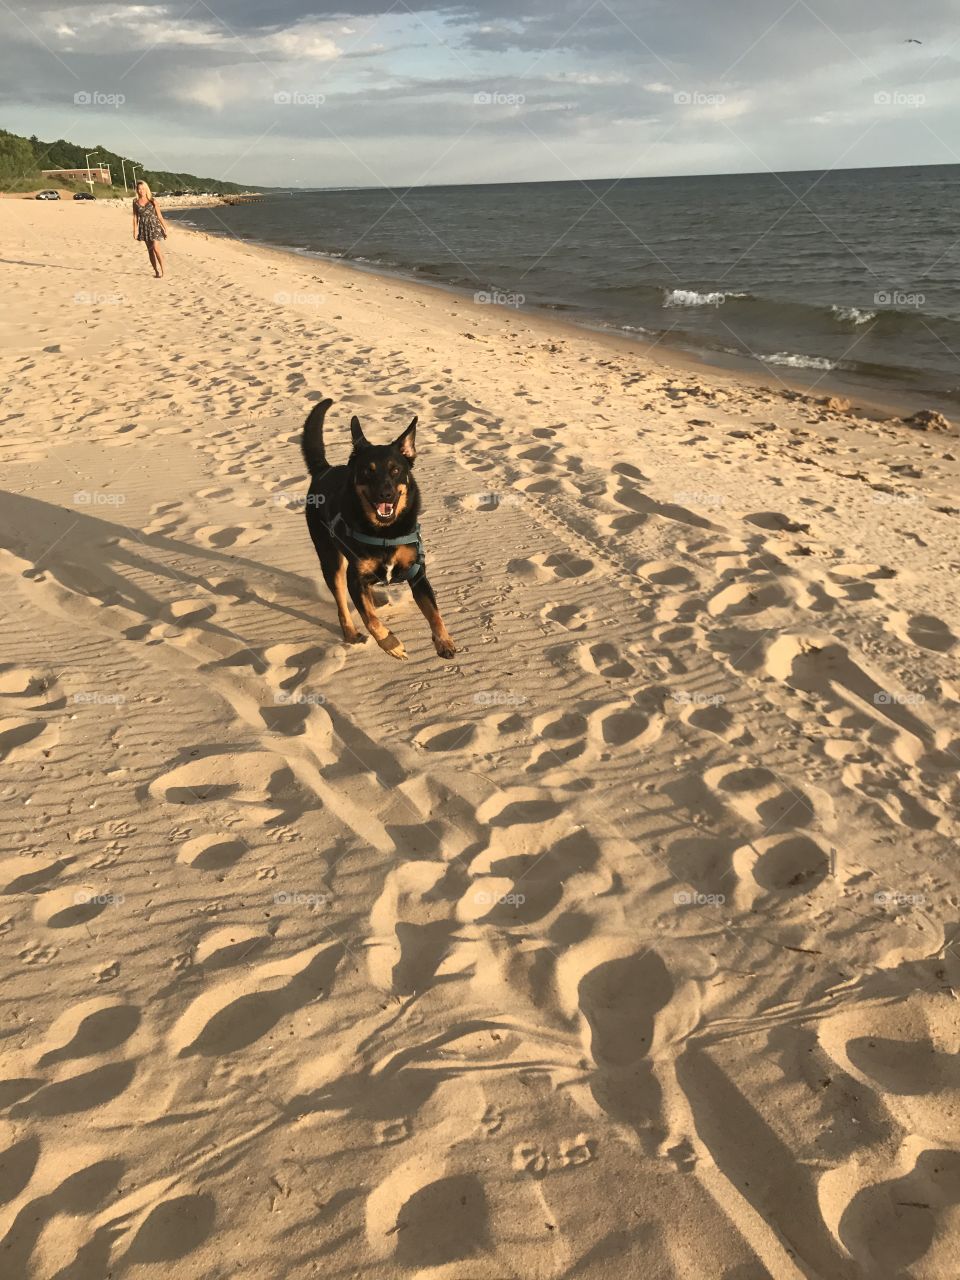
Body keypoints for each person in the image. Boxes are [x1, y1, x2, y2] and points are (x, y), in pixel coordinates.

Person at [131, 180, 168, 277]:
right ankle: (156, 271)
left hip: (154, 226)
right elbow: (135, 217)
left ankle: (163, 271)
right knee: (150, 250)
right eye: (139, 189)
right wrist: (135, 231)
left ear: (146, 189)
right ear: (137, 190)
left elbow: (159, 216)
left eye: (143, 188)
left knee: (156, 248)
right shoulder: (135, 202)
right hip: (144, 227)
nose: (141, 191)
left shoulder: (153, 201)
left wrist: (165, 228)